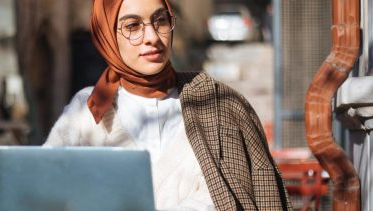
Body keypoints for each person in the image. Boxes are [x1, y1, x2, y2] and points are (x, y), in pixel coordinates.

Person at [44, 0, 291, 210]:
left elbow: (258, 191)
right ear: (107, 35)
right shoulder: (85, 111)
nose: (152, 37)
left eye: (160, 21)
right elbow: (39, 189)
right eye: (132, 26)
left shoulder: (220, 105)